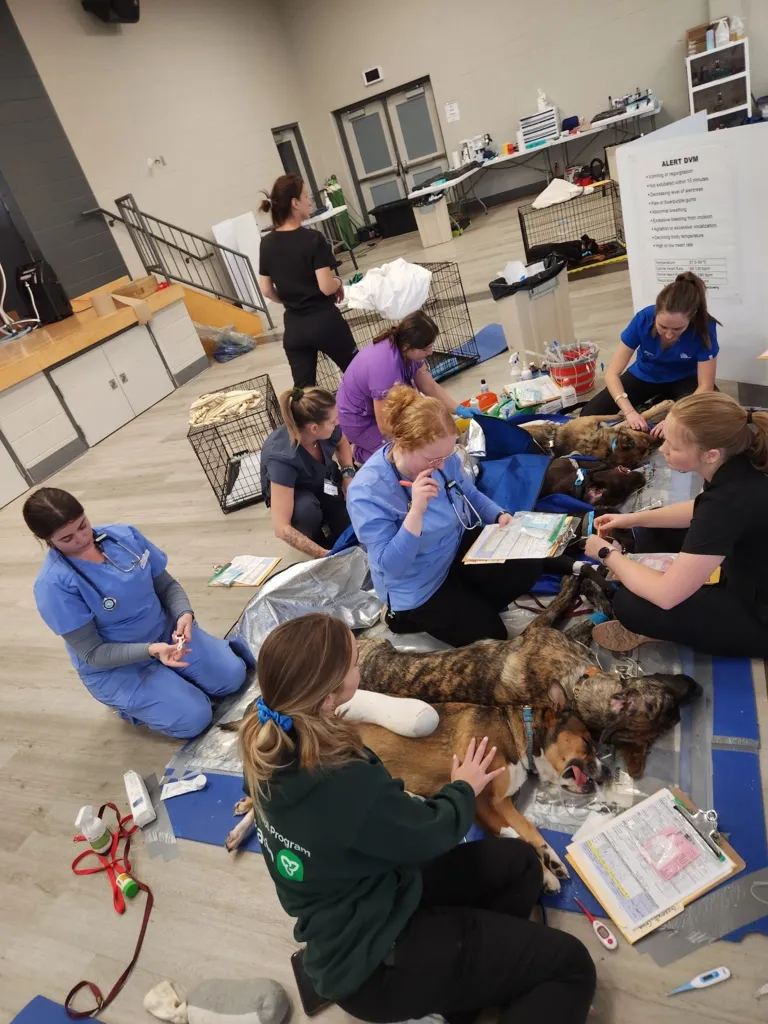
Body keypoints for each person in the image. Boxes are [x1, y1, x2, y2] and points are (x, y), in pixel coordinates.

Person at [240, 612, 596, 1023]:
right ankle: (450, 976)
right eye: (355, 663)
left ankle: (465, 990)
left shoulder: (269, 745)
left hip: (377, 892)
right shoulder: (340, 780)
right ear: (328, 695)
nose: (361, 667)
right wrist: (462, 787)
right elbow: (431, 833)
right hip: (376, 962)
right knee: (571, 967)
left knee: (519, 867)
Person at [25, 488, 249, 738]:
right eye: (67, 538)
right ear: (46, 539)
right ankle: (133, 705)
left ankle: (174, 681)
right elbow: (93, 653)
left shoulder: (123, 537)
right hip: (118, 665)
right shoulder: (53, 586)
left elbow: (167, 586)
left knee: (233, 677)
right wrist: (150, 650)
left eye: (83, 525)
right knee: (195, 719)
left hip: (166, 634)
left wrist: (184, 614)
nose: (82, 538)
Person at [346, 386, 543, 647]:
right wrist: (416, 512)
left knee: (529, 562)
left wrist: (499, 515)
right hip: (419, 582)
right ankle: (405, 617)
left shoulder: (442, 457)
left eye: (445, 456)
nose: (440, 465)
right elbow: (391, 566)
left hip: (454, 548)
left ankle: (466, 602)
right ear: (403, 445)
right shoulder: (368, 491)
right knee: (493, 637)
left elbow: (468, 492)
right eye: (432, 459)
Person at [585, 393, 768, 658]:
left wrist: (606, 554)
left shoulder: (728, 502)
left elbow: (666, 594)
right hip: (751, 567)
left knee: (629, 604)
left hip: (759, 615)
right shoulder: (742, 461)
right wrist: (632, 518)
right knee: (651, 530)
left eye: (674, 446)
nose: (663, 450)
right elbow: (701, 509)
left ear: (710, 455)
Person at [580, 271, 720, 438]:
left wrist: (674, 418)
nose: (669, 334)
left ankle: (661, 404)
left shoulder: (705, 328)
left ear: (692, 318)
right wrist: (629, 411)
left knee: (709, 420)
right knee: (588, 415)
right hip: (646, 374)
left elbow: (705, 385)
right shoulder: (643, 319)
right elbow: (612, 374)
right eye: (663, 327)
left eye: (678, 329)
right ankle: (656, 403)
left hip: (685, 379)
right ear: (655, 314)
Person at [259, 174, 358, 388]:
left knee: (304, 393)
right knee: (358, 374)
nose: (310, 201)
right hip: (325, 322)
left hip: (294, 328)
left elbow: (266, 290)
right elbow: (326, 287)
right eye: (305, 196)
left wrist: (291, 299)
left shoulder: (266, 244)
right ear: (295, 203)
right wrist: (338, 283)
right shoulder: (313, 239)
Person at [336, 310, 461, 464]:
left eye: (431, 346)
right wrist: (413, 440)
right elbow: (385, 425)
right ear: (407, 346)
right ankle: (362, 454)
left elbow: (430, 386)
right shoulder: (385, 367)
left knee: (426, 436)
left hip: (376, 411)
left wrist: (458, 409)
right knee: (405, 457)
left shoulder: (407, 349)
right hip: (359, 421)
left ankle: (371, 449)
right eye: (425, 348)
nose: (430, 352)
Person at [262, 387, 355, 560]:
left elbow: (342, 443)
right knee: (306, 511)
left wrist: (347, 474)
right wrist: (325, 555)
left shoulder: (328, 430)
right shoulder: (282, 459)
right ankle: (316, 537)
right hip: (295, 495)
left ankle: (330, 519)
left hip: (324, 479)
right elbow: (281, 528)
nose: (337, 423)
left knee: (348, 520)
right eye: (333, 421)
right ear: (314, 428)